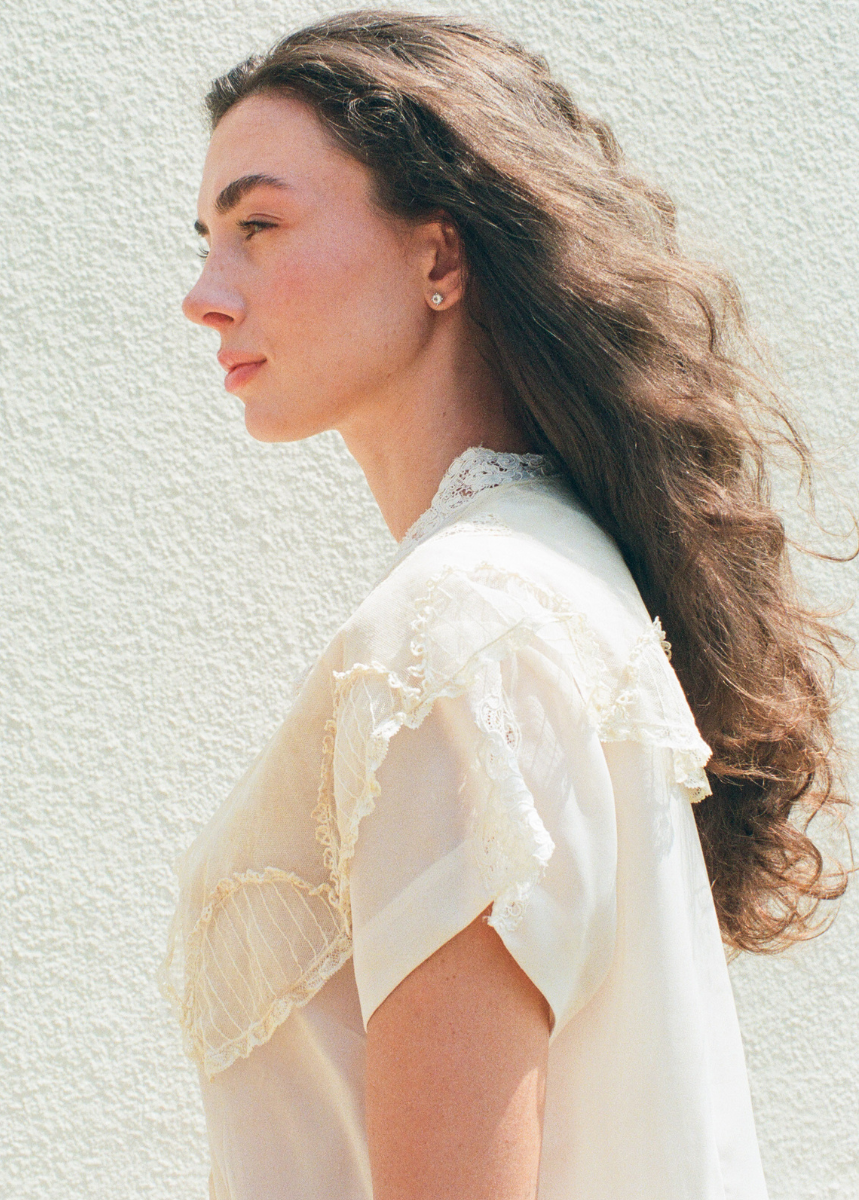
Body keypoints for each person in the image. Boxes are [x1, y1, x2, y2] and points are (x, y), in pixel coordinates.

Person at [159, 11, 849, 1199]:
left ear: (440, 257)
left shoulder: (459, 625)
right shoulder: (542, 585)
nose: (205, 296)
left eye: (258, 226)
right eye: (208, 239)